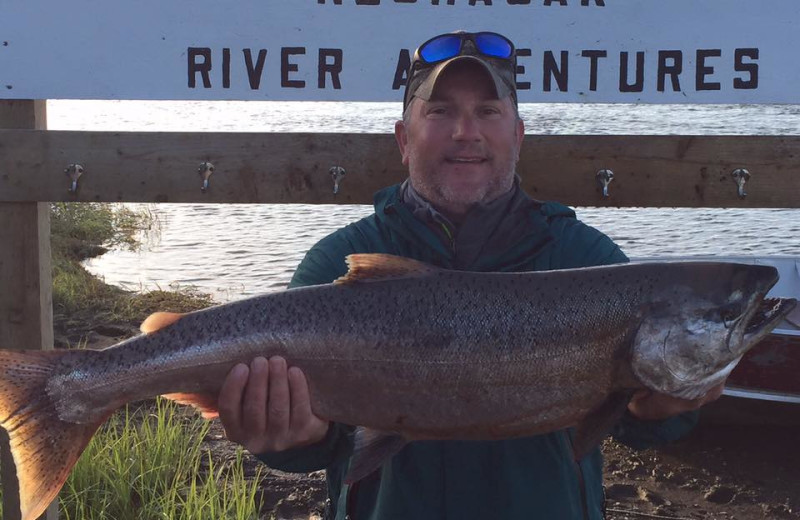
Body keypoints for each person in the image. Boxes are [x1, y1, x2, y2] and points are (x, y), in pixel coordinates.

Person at [217, 31, 724, 520]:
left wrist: (661, 412)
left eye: (488, 111)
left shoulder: (583, 254)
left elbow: (632, 424)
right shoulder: (338, 261)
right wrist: (291, 437)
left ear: (518, 135)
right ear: (403, 138)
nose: (466, 132)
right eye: (440, 112)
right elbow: (314, 448)